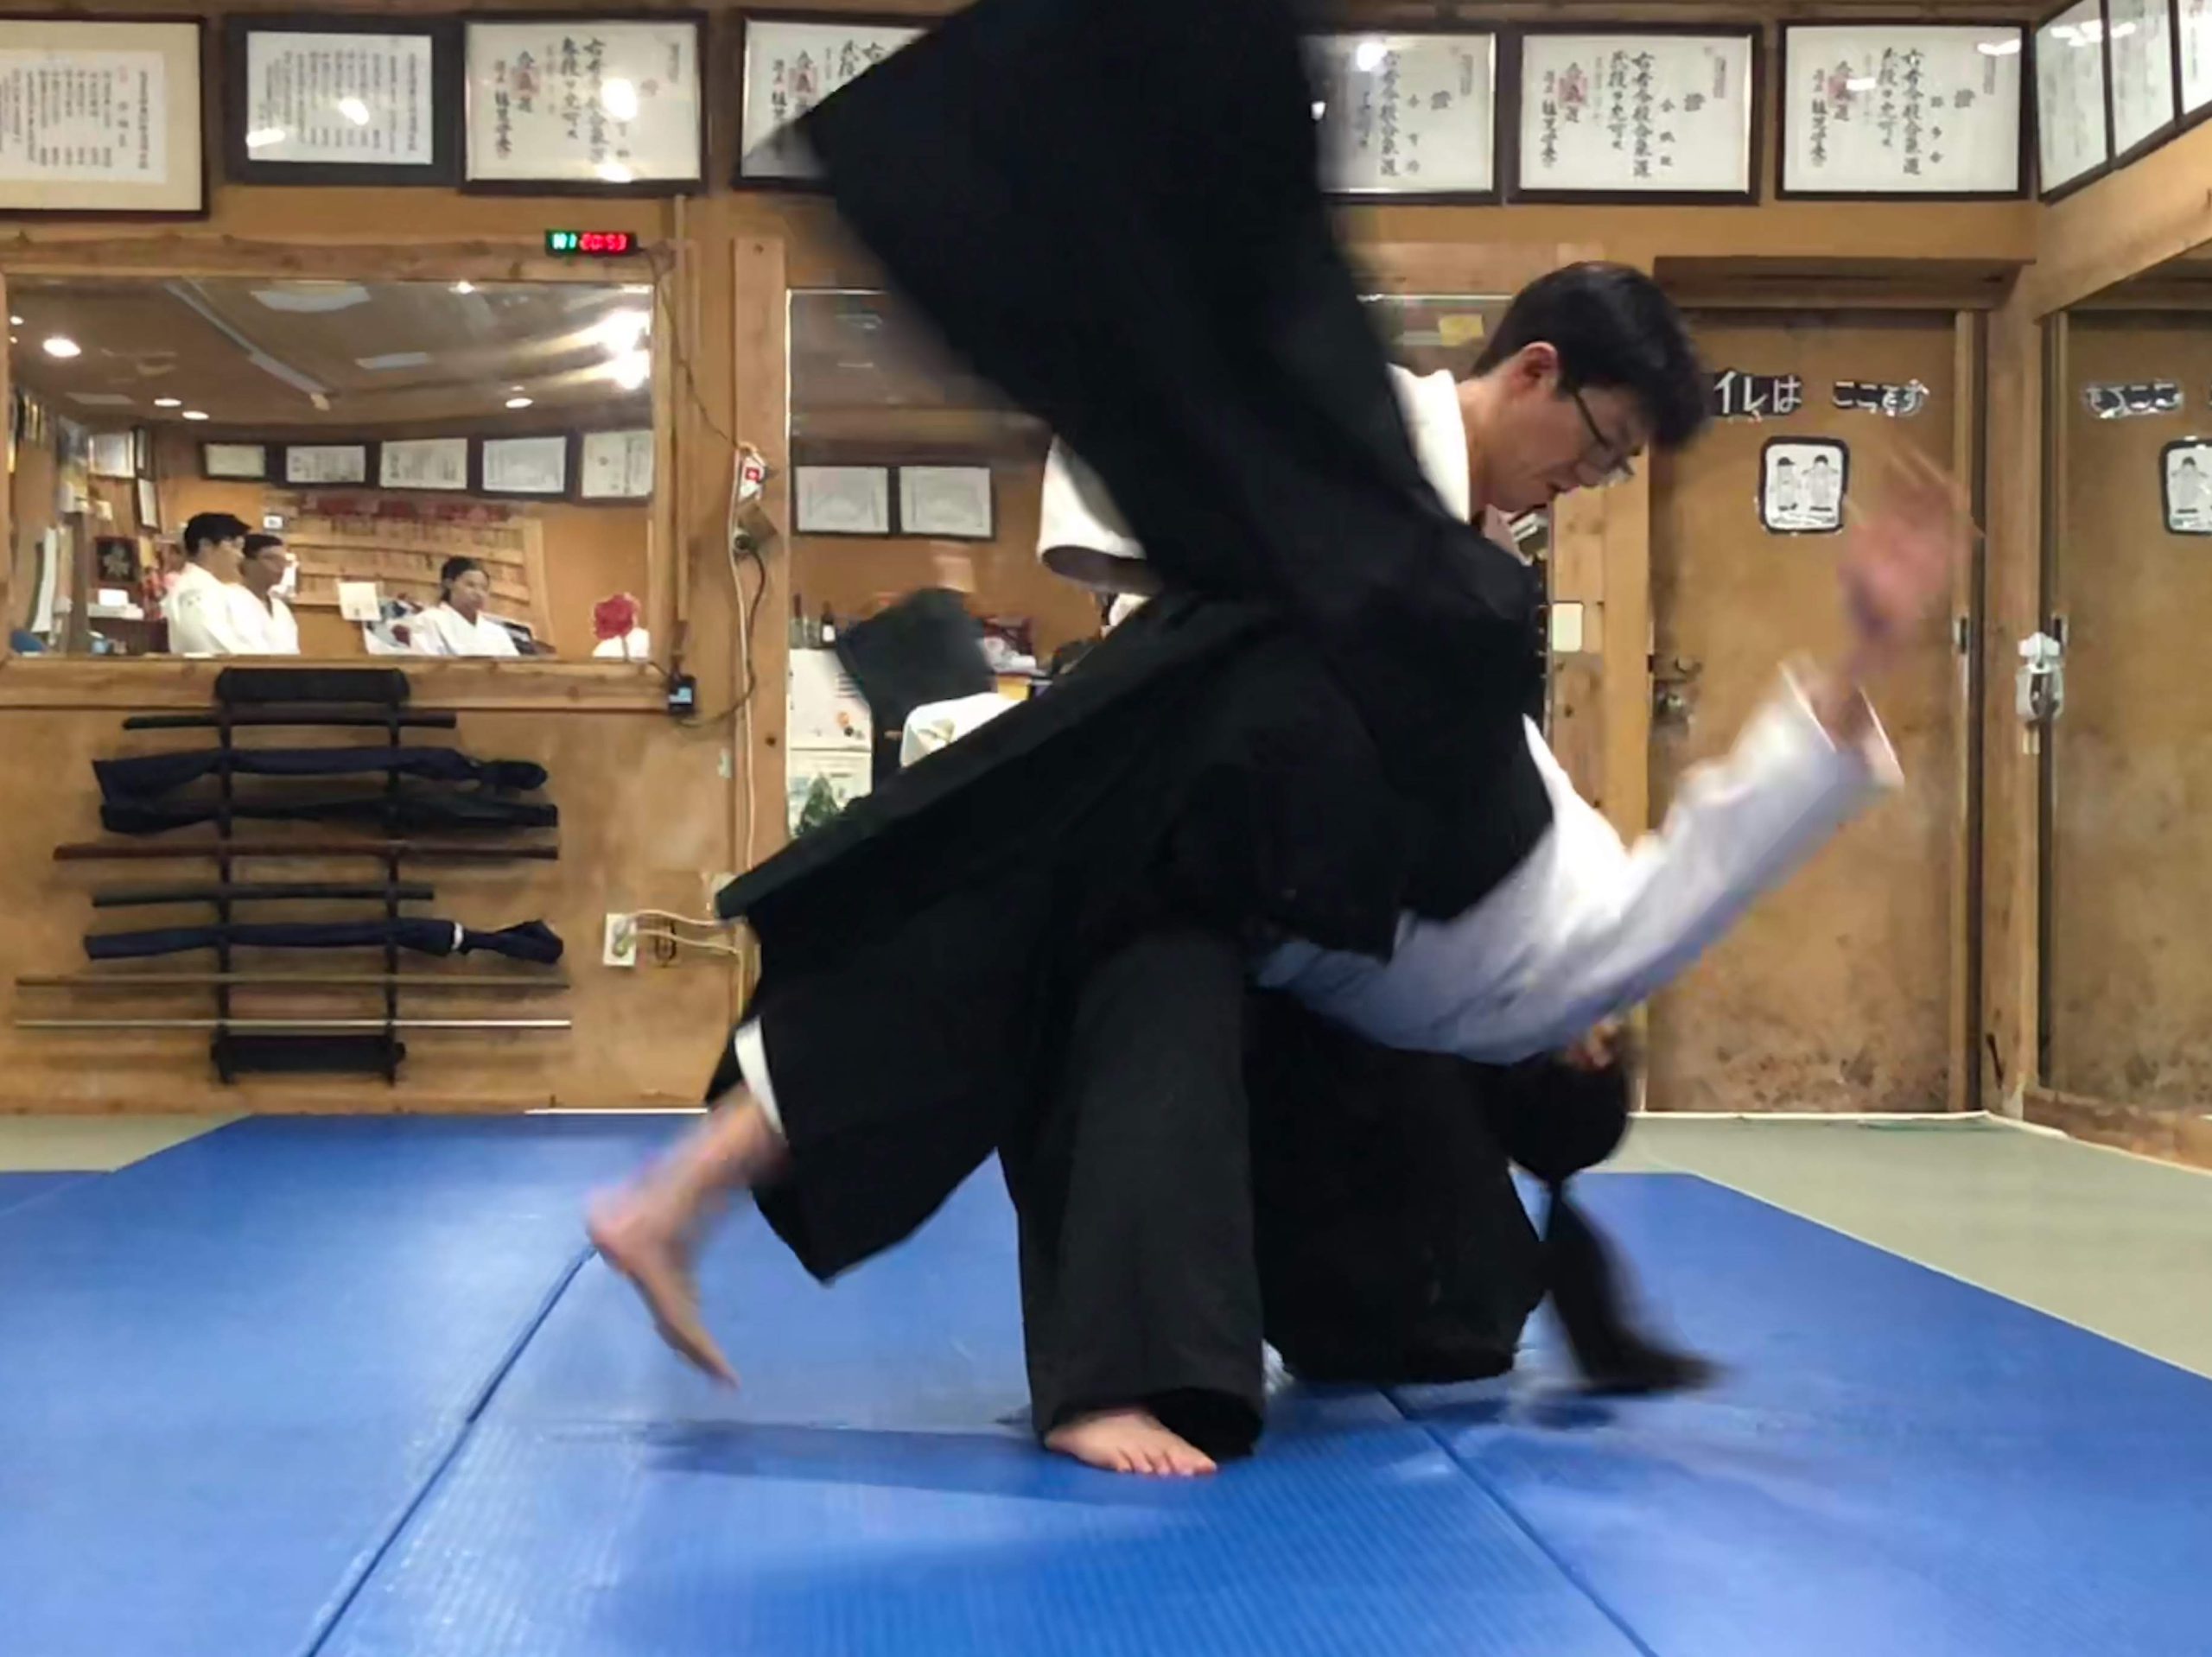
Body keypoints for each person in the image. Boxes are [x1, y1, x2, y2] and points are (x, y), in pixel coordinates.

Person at [588, 0, 1955, 1474]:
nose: (1593, 479)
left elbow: (1656, 809)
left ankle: (675, 1198)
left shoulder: (1510, 857)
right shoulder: (1553, 863)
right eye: (1603, 446)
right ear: (1536, 372)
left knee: (996, 927)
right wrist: (1867, 649)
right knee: (1217, 778)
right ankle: (1084, 1362)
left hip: (1300, 832)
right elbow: (1724, 831)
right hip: (1255, 756)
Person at [162, 512, 252, 657]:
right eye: (234, 546)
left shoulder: (215, 589)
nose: (240, 556)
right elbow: (215, 648)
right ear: (205, 545)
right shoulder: (194, 592)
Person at [409, 556, 520, 657]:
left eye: (484, 588)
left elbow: (516, 668)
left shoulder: (496, 632)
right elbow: (425, 666)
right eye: (471, 585)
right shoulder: (428, 621)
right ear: (449, 584)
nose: (478, 593)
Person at [229, 532, 300, 656]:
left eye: (283, 561)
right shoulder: (227, 601)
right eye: (271, 559)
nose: (280, 567)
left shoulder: (281, 609)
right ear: (245, 562)